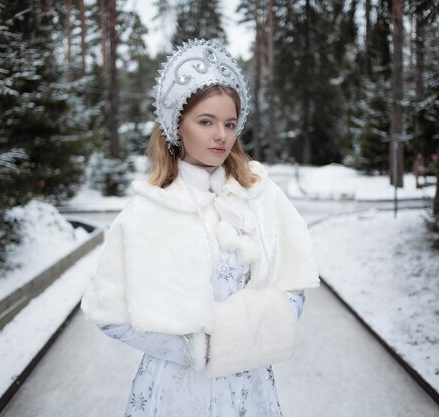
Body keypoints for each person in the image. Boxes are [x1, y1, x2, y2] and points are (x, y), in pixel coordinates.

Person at [80, 39, 320, 417]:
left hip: (250, 388)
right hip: (180, 392)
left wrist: (253, 331)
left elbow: (294, 281)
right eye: (206, 122)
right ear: (177, 125)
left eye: (229, 123)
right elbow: (109, 314)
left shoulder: (261, 195)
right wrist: (197, 348)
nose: (221, 136)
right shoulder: (150, 210)